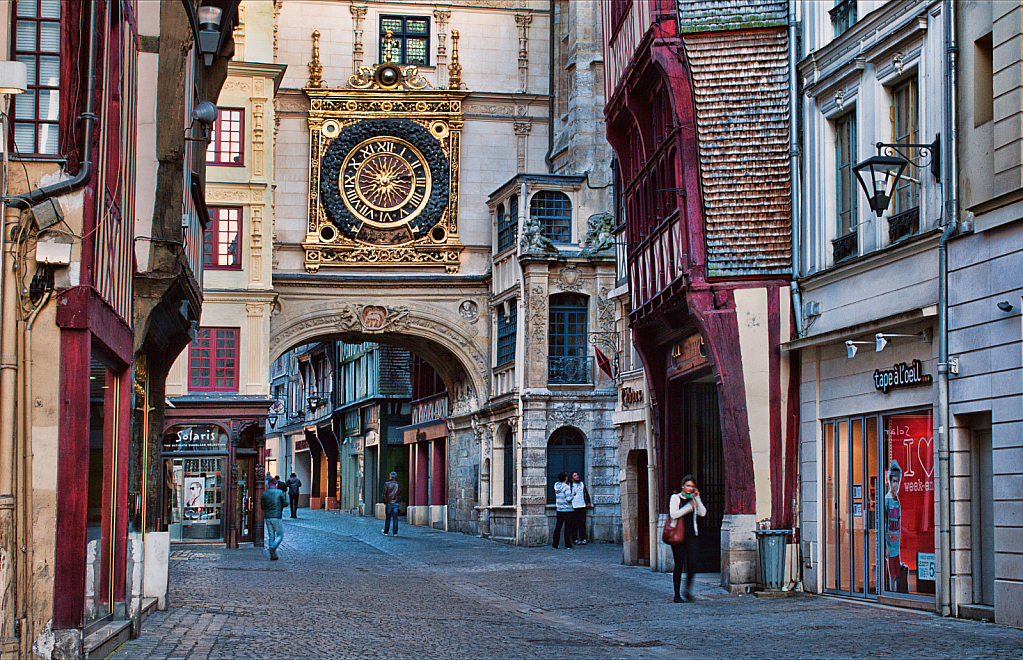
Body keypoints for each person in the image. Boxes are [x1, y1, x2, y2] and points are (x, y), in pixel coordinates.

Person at [669, 475, 706, 602]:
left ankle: (688, 590)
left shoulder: (694, 499)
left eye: (692, 486)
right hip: (678, 535)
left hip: (691, 535)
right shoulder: (675, 498)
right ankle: (677, 594)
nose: (690, 488)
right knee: (679, 564)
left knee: (693, 563)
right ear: (683, 486)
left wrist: (698, 499)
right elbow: (674, 514)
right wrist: (688, 507)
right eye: (688, 486)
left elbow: (702, 513)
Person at [884, 460, 903, 592]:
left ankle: (895, 590)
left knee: (897, 570)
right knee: (891, 569)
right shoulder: (887, 499)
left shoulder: (897, 500)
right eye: (893, 481)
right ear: (890, 482)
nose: (895, 484)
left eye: (897, 481)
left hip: (896, 540)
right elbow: (884, 522)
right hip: (889, 541)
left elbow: (899, 520)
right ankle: (890, 590)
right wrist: (885, 546)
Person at [260, 481, 288, 560]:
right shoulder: (280, 492)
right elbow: (286, 503)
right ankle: (273, 547)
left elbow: (262, 506)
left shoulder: (264, 494)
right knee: (280, 535)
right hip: (276, 516)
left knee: (271, 536)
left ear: (268, 485)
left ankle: (272, 555)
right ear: (276, 485)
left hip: (268, 517)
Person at [552, 472, 574, 549]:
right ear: (565, 478)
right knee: (567, 528)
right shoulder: (566, 487)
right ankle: (568, 544)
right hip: (567, 510)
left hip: (559, 509)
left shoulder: (556, 486)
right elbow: (568, 499)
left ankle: (555, 544)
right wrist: (573, 495)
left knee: (558, 527)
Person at [570, 472, 591, 545]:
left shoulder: (582, 484)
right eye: (575, 476)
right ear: (572, 478)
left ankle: (583, 538)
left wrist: (588, 501)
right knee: (574, 524)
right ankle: (575, 539)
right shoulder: (570, 486)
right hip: (574, 506)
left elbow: (586, 493)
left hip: (582, 506)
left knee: (582, 523)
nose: (577, 476)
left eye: (577, 475)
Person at [382, 472, 402, 536]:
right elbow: (400, 493)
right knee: (395, 518)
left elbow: (384, 494)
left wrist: (385, 501)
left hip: (389, 502)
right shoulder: (398, 484)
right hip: (396, 503)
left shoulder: (387, 484)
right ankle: (395, 532)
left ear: (390, 477)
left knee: (388, 518)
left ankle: (386, 531)